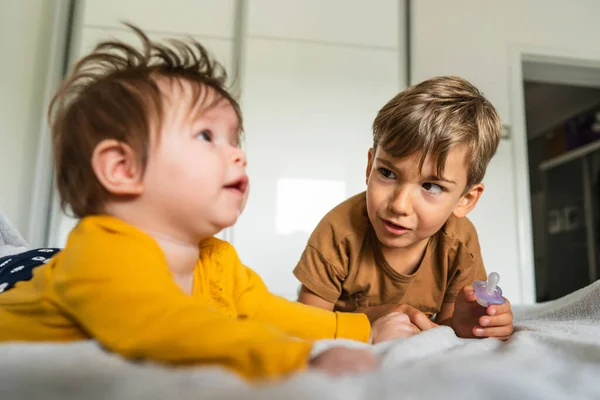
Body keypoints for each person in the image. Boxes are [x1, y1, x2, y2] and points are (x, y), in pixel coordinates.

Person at [0, 24, 416, 381]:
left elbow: (272, 314)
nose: (239, 155)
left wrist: (364, 330)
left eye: (235, 140)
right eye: (206, 136)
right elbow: (161, 326)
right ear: (122, 168)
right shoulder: (102, 252)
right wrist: (293, 360)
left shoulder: (218, 261)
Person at [294, 76, 514, 340]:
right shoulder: (338, 233)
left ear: (465, 200)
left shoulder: (460, 243)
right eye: (387, 172)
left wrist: (469, 323)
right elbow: (306, 325)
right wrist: (373, 322)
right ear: (369, 166)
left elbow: (445, 326)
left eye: (431, 187)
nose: (398, 205)